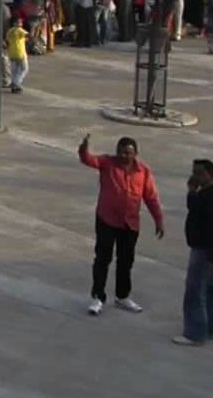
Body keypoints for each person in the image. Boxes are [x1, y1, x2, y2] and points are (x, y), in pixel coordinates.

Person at [78, 133, 165, 316]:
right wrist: (84, 148)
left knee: (126, 261)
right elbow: (88, 159)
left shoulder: (143, 172)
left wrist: (159, 220)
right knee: (102, 259)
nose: (123, 156)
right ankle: (98, 297)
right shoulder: (107, 163)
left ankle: (122, 296)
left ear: (135, 154)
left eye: (127, 153)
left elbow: (150, 197)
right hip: (107, 220)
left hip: (130, 224)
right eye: (121, 152)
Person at [175, 158, 213, 346]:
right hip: (211, 252)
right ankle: (211, 329)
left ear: (210, 174)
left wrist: (191, 192)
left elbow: (211, 226)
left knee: (195, 293)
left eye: (199, 173)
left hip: (204, 251)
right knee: (211, 291)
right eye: (194, 172)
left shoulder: (211, 196)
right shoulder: (209, 192)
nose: (195, 176)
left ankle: (195, 334)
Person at [4, 10, 30, 93]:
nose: (21, 24)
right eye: (19, 23)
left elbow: (7, 42)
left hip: (11, 53)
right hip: (20, 53)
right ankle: (16, 83)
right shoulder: (19, 30)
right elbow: (28, 35)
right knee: (24, 69)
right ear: (15, 23)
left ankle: (14, 85)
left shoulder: (9, 32)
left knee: (14, 70)